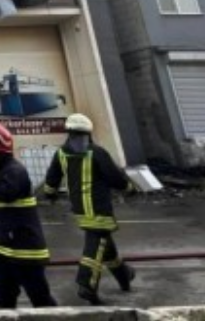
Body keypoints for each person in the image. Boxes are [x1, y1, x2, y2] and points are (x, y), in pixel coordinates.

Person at [43, 112, 136, 305]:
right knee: (95, 247)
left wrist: (50, 194)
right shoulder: (97, 153)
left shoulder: (61, 153)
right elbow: (115, 177)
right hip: (99, 210)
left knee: (105, 246)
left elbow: (51, 179)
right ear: (88, 133)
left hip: (80, 211)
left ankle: (124, 275)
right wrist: (129, 188)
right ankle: (87, 285)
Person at [0, 122, 57, 310]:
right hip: (3, 249)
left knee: (40, 299)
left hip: (23, 251)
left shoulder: (14, 171)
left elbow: (4, 194)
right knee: (3, 295)